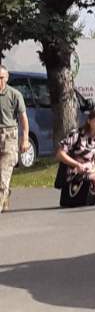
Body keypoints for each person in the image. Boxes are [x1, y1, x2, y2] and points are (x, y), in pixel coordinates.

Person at [56, 109, 95, 208]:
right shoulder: (77, 134)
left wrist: (93, 169)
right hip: (74, 170)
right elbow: (60, 154)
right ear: (89, 121)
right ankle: (91, 186)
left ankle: (92, 191)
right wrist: (77, 164)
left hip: (90, 171)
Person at [0, 65, 28, 214]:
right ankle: (4, 196)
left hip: (9, 136)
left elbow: (23, 119)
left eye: (1, 78)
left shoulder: (15, 95)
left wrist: (25, 139)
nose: (0, 81)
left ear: (7, 77)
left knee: (4, 173)